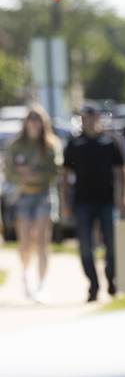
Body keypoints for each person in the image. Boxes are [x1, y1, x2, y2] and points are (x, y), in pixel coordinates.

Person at [63, 103, 125, 302]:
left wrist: (124, 194)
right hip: (82, 202)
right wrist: (65, 202)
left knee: (111, 244)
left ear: (98, 119)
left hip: (107, 201)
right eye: (85, 117)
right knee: (85, 247)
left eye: (93, 117)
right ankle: (93, 284)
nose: (89, 121)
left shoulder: (109, 141)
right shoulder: (74, 143)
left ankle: (111, 279)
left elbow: (123, 170)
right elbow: (65, 175)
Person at [3, 106, 62, 300]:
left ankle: (42, 283)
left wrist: (33, 175)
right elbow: (9, 172)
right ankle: (26, 274)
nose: (34, 122)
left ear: (43, 123)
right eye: (31, 119)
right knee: (26, 241)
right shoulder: (16, 145)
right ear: (26, 122)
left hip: (44, 195)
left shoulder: (51, 145)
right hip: (23, 196)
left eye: (38, 119)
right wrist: (23, 178)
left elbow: (56, 172)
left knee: (42, 240)